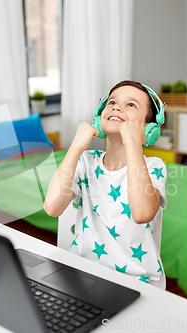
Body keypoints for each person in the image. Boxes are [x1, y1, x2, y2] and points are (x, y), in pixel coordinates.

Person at [43, 80, 167, 289]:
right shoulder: (85, 161)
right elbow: (52, 207)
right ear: (99, 118)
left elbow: (142, 213)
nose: (117, 107)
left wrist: (133, 142)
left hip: (137, 283)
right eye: (112, 102)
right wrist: (76, 147)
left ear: (149, 128)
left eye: (131, 105)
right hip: (83, 274)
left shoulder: (154, 166)